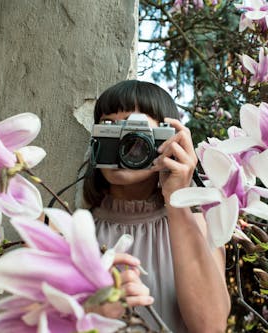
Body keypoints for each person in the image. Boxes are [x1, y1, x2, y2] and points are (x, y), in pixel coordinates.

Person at [82, 80, 231, 332]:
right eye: (110, 127)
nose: (124, 145)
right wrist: (87, 312)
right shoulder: (72, 229)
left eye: (135, 132)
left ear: (169, 143)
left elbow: (211, 327)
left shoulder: (202, 226)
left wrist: (177, 199)